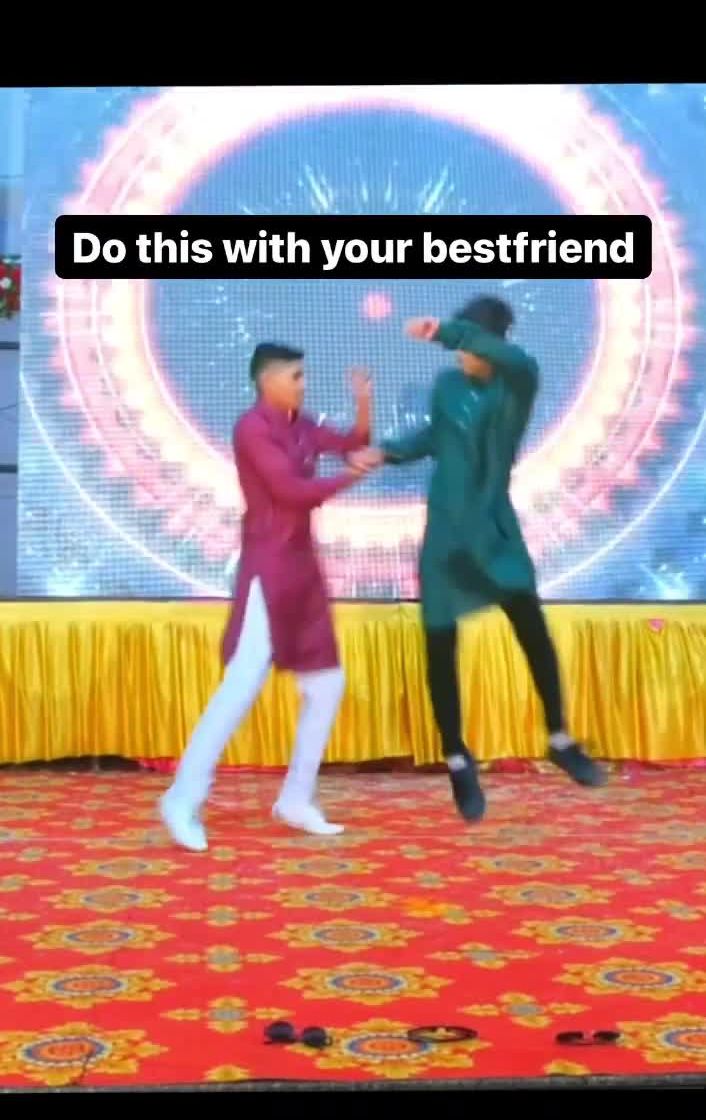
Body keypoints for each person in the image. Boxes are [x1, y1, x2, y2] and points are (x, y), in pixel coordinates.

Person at [365, 296, 606, 822]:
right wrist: (388, 450)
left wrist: (443, 330)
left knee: (531, 626)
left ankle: (560, 738)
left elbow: (509, 357)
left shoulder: (517, 381)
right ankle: (456, 758)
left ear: (492, 346)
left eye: (470, 344)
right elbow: (437, 435)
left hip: (493, 530)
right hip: (446, 534)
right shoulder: (448, 387)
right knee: (439, 643)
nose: (460, 354)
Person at [160, 343, 373, 851]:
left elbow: (352, 441)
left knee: (326, 684)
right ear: (268, 380)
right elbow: (291, 492)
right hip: (268, 567)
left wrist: (363, 402)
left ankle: (296, 799)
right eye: (296, 376)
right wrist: (350, 476)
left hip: (302, 569)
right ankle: (182, 797)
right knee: (243, 681)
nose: (304, 384)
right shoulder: (251, 429)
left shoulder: (302, 423)